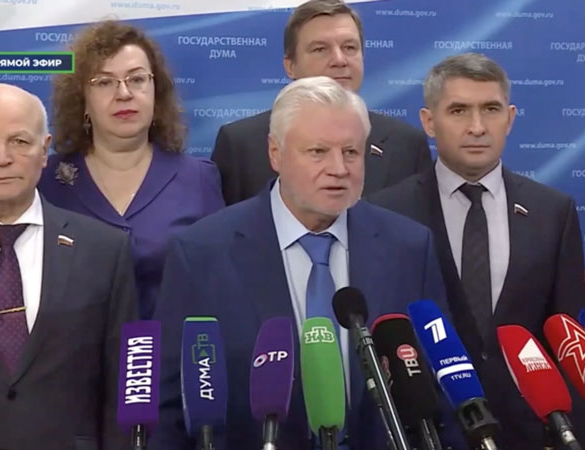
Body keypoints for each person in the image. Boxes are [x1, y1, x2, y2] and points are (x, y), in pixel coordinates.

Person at [152, 76, 449, 449]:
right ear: (275, 153)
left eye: (351, 152)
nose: (339, 168)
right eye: (318, 152)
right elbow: (166, 405)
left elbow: (439, 384)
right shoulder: (202, 253)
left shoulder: (408, 246)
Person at [369, 53, 585, 449]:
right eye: (458, 110)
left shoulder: (552, 212)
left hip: (528, 434)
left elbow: (570, 343)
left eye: (490, 109)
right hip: (426, 433)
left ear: (509, 118)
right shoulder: (385, 212)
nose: (477, 127)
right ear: (428, 121)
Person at [0, 83, 137, 450]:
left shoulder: (104, 251)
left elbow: (125, 389)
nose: (2, 158)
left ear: (44, 149)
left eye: (19, 141)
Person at [39, 20, 225, 319]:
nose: (124, 93)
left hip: (172, 346)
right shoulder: (47, 182)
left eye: (137, 79)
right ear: (82, 100)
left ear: (156, 92)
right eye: (104, 82)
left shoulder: (199, 179)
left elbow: (219, 285)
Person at [211, 0, 432, 205]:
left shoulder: (407, 145)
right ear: (290, 66)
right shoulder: (240, 144)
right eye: (320, 49)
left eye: (349, 48)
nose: (339, 60)